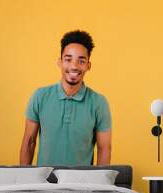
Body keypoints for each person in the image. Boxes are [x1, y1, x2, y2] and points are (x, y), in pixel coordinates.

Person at [19, 30, 112, 166]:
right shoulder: (40, 96)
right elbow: (29, 142)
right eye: (68, 59)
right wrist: (24, 182)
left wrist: (98, 186)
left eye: (81, 61)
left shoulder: (99, 102)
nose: (74, 66)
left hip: (82, 185)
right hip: (44, 183)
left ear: (88, 66)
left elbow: (104, 149)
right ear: (60, 62)